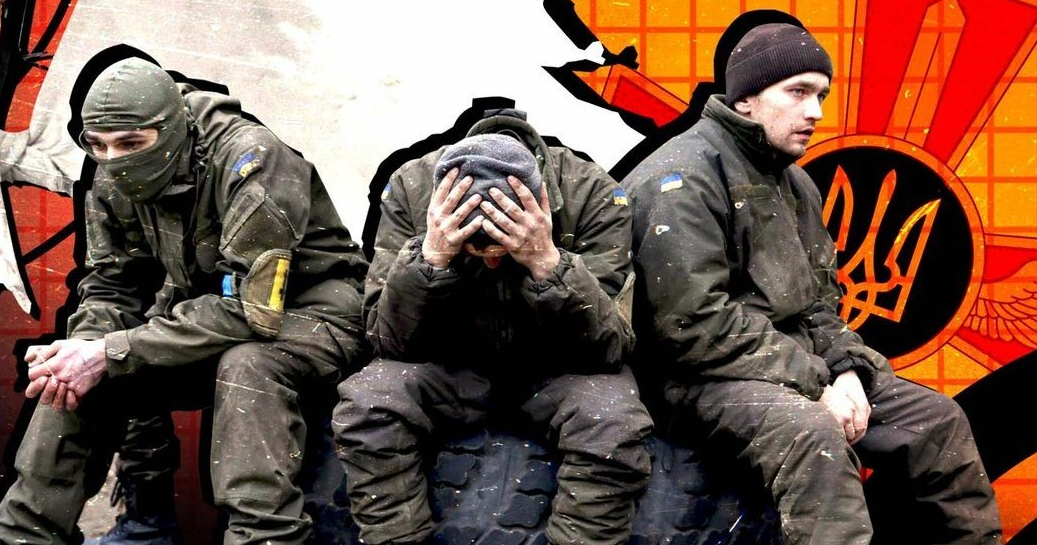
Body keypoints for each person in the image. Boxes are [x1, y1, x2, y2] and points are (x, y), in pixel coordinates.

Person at [621, 22, 1002, 545]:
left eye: (821, 94)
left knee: (937, 422)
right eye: (798, 92)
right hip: (694, 381)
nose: (816, 112)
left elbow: (820, 304)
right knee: (817, 436)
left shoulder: (795, 182)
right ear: (746, 98)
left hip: (788, 367)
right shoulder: (680, 178)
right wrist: (816, 383)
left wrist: (847, 371)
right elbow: (692, 326)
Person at [0, 56, 369, 545]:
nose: (113, 158)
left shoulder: (252, 160)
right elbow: (113, 284)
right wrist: (84, 351)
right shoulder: (112, 170)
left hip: (311, 316)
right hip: (209, 312)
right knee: (71, 373)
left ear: (171, 128)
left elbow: (253, 311)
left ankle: (264, 538)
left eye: (131, 144)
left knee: (247, 365)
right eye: (98, 145)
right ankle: (28, 536)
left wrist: (110, 351)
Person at [333, 111, 653, 545]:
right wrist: (431, 259)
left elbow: (611, 347)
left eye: (502, 246)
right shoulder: (411, 188)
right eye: (477, 248)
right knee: (368, 403)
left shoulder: (591, 193)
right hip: (449, 362)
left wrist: (547, 263)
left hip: (557, 364)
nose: (494, 262)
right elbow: (385, 339)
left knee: (613, 420)